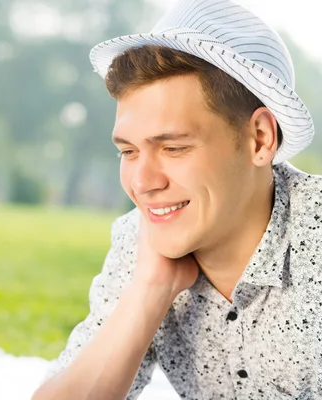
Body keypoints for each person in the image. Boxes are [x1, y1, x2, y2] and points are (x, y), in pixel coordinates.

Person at [31, 0, 321, 399]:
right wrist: (150, 289)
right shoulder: (142, 239)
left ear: (260, 139)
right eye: (128, 152)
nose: (142, 184)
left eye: (173, 148)